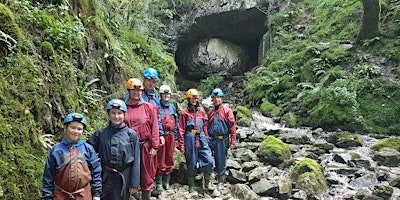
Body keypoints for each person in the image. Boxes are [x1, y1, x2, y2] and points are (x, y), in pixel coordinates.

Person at [87, 99, 140, 200]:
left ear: (124, 115)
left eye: (119, 113)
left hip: (124, 177)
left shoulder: (131, 135)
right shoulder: (101, 134)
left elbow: (136, 160)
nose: (116, 116)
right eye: (113, 113)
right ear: (109, 114)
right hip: (105, 176)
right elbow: (87, 151)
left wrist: (134, 184)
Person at [41, 112, 102, 200]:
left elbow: (96, 171)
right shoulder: (56, 150)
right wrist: (47, 196)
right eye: (73, 128)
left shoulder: (88, 149)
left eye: (79, 129)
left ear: (83, 131)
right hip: (61, 195)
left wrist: (97, 194)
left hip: (83, 195)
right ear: (65, 128)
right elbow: (48, 177)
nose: (76, 131)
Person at [124, 78, 160, 200]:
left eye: (139, 90)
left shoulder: (149, 107)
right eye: (133, 90)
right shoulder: (123, 108)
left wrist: (154, 146)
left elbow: (154, 127)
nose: (137, 92)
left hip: (144, 146)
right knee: (127, 174)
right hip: (128, 147)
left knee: (146, 175)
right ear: (128, 91)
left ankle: (146, 197)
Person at [178, 88, 214, 193]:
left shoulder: (201, 111)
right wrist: (181, 144)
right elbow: (181, 128)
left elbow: (206, 125)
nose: (194, 100)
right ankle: (191, 185)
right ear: (188, 99)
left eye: (195, 98)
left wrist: (206, 138)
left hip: (201, 136)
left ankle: (207, 182)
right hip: (189, 137)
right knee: (191, 162)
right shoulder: (184, 112)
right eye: (192, 98)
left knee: (208, 160)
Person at [207, 88, 237, 189]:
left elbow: (232, 126)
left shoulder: (227, 111)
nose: (216, 100)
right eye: (214, 98)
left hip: (222, 140)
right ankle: (206, 178)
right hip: (211, 139)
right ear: (212, 99)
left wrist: (233, 141)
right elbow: (206, 126)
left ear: (222, 99)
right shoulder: (210, 112)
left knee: (221, 160)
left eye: (218, 97)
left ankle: (220, 180)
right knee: (206, 158)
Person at [155, 85, 179, 192]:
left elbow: (177, 123)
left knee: (169, 158)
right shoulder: (157, 107)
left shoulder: (172, 107)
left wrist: (177, 138)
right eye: (164, 94)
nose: (166, 96)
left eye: (168, 94)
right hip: (162, 135)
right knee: (160, 159)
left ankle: (167, 181)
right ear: (160, 95)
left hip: (171, 136)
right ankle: (159, 182)